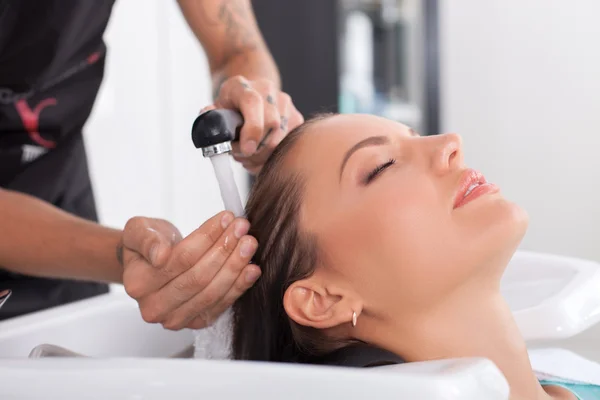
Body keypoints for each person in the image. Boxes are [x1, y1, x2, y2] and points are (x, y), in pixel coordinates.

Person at [232, 114, 600, 399]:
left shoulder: (580, 375)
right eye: (382, 166)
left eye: (416, 135)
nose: (451, 143)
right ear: (324, 299)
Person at [0, 0, 303, 326]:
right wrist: (127, 257)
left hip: (55, 180)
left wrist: (252, 99)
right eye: (367, 174)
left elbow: (237, 47)